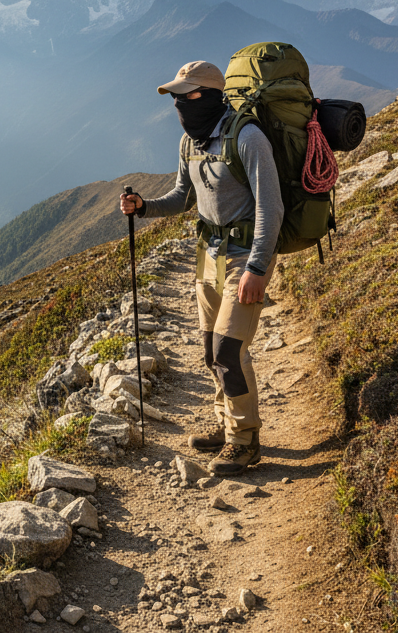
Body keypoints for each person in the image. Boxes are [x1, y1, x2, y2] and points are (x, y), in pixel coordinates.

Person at [119, 60, 284, 475]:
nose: (180, 104)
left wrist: (258, 267)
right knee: (211, 349)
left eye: (188, 95)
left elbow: (271, 208)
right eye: (176, 97)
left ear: (211, 95)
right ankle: (225, 424)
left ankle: (244, 440)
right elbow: (182, 196)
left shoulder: (248, 138)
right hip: (208, 254)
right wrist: (145, 208)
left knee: (229, 350)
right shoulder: (189, 142)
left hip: (245, 256)